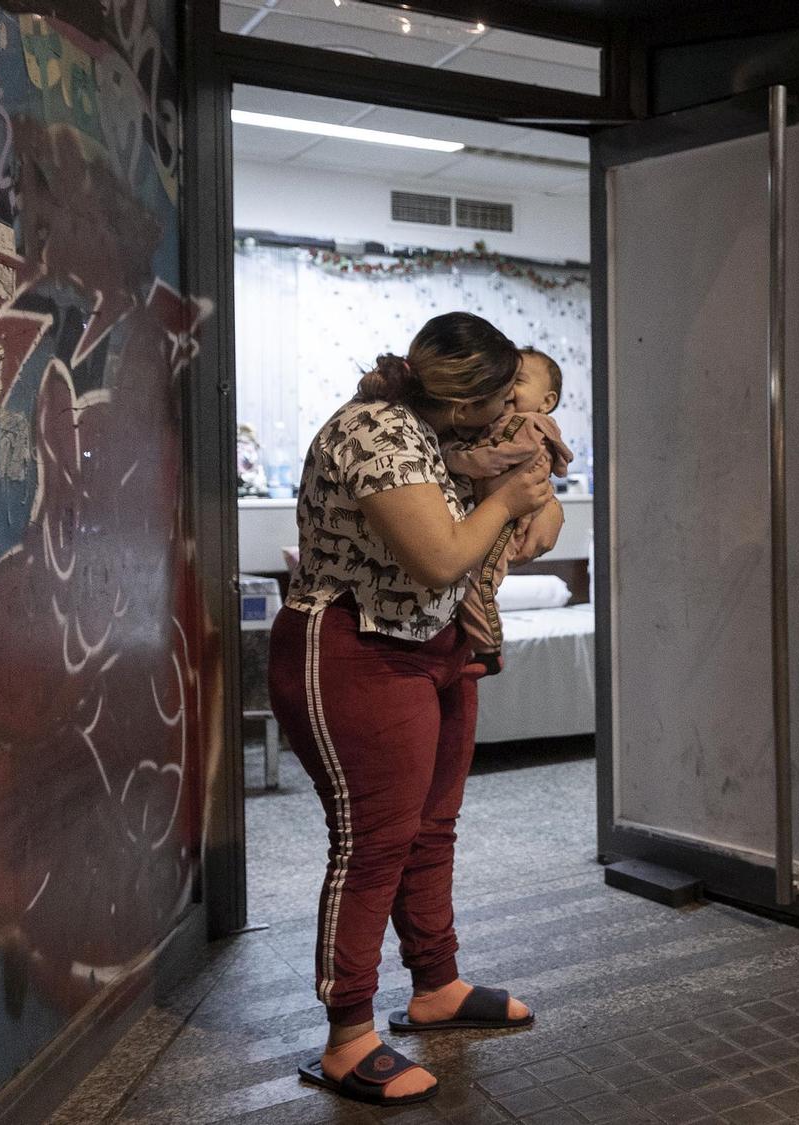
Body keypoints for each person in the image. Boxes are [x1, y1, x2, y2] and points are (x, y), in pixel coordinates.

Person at [269, 312, 552, 1107]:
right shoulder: (373, 434)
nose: (514, 413)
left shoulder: (443, 435)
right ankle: (348, 1033)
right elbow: (440, 557)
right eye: (503, 399)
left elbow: (522, 538)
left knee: (433, 825)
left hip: (432, 643)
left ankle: (436, 986)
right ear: (464, 404)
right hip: (352, 643)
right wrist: (503, 497)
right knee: (373, 842)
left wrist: (523, 493)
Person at [445, 346, 570, 677]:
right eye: (507, 379)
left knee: (477, 580)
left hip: (507, 522)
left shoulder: (521, 425)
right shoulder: (516, 424)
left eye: (520, 380)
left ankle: (489, 650)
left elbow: (491, 457)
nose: (509, 387)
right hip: (500, 516)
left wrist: (452, 455)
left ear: (547, 400)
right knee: (476, 579)